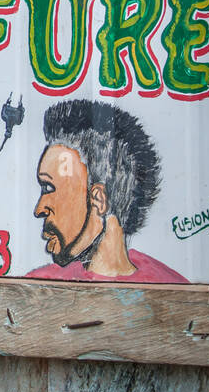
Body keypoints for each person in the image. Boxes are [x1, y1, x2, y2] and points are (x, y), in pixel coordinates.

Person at [27, 99, 186, 283]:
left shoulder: (170, 290)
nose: (39, 209)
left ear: (99, 200)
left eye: (49, 189)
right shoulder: (38, 288)